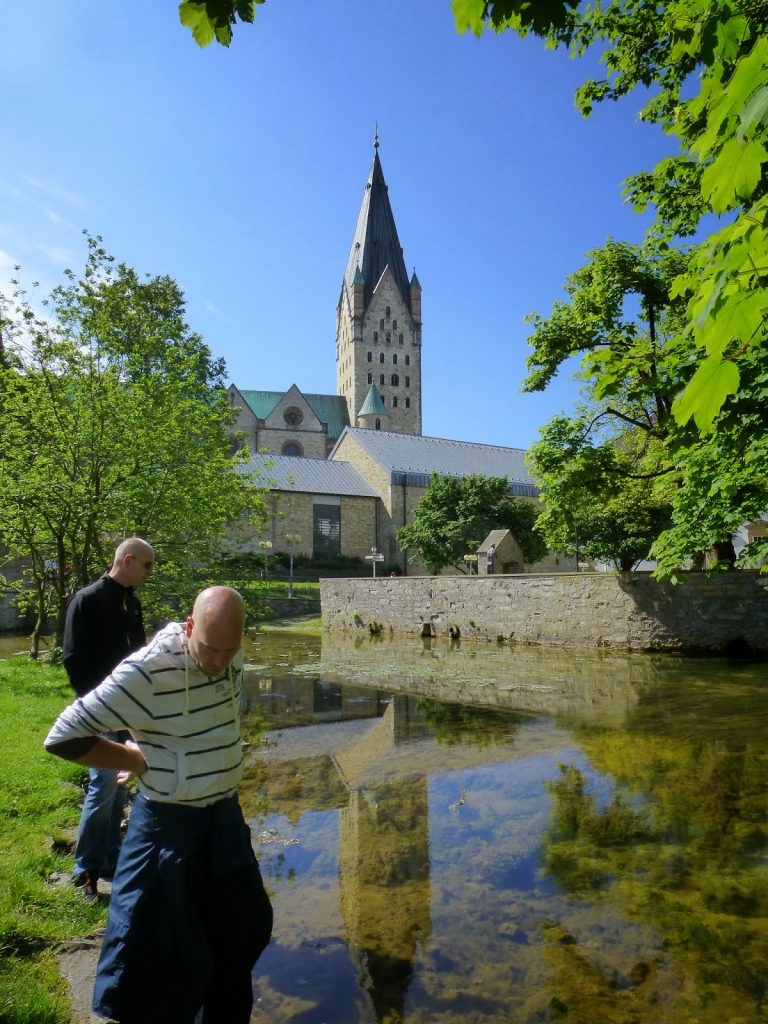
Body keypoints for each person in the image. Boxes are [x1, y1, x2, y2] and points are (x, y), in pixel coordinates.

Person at [45, 586, 273, 1024]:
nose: (221, 661)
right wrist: (132, 756)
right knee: (152, 952)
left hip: (224, 819)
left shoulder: (228, 652)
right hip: (167, 830)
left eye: (232, 648)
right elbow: (62, 736)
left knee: (238, 934)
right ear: (190, 628)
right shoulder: (146, 671)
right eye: (210, 649)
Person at [63, 536, 155, 896]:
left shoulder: (132, 605)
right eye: (147, 565)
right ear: (128, 560)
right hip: (97, 712)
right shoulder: (87, 601)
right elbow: (73, 659)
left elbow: (140, 657)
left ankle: (110, 859)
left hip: (128, 711)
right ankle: (84, 870)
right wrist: (96, 706)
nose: (150, 572)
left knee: (118, 786)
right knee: (102, 786)